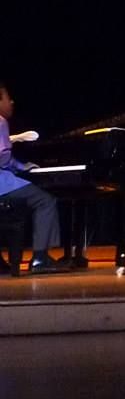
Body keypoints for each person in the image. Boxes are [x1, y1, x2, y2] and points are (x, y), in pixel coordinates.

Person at [0, 82, 61, 274]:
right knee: (45, 201)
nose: (11, 102)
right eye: (7, 97)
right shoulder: (0, 121)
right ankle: (40, 258)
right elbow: (2, 157)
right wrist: (21, 166)